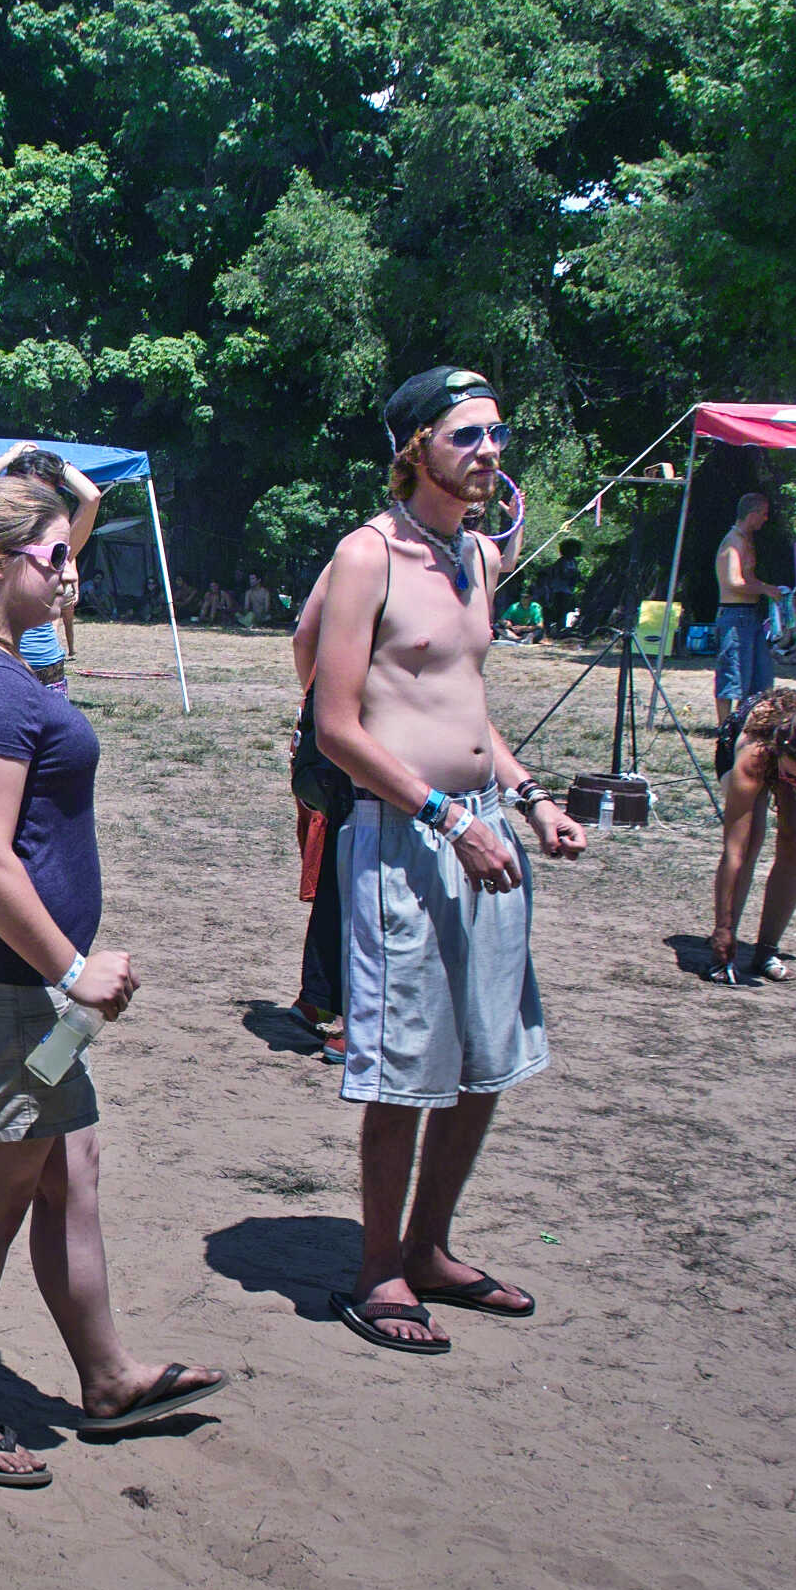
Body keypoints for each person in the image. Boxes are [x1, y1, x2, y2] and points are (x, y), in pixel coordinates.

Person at [0, 474, 227, 1486]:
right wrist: (73, 969)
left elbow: (71, 507)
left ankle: (108, 1377)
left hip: (18, 986)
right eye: (56, 557)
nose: (72, 571)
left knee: (69, 1171)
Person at [313, 367, 586, 1357]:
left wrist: (530, 798)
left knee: (483, 1057)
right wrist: (440, 815)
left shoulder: (479, 555)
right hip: (405, 832)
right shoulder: (366, 555)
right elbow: (336, 725)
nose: (489, 451)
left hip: (485, 826)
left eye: (496, 433)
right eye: (466, 434)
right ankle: (378, 1267)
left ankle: (429, 1247)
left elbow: (467, 707)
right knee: (406, 1065)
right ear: (414, 446)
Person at [705, 688, 796, 985]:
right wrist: (723, 928)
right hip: (749, 741)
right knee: (749, 843)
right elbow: (733, 853)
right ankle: (725, 946)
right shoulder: (753, 754)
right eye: (793, 777)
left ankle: (767, 951)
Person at [0, 445, 104, 688]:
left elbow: (92, 497)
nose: (34, 501)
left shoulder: (58, 548)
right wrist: (11, 456)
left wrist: (59, 466)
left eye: (44, 495)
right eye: (26, 492)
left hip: (46, 666)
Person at [289, 566, 348, 1062]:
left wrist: (321, 700)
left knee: (336, 871)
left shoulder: (353, 550)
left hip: (333, 742)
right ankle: (356, 1016)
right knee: (361, 878)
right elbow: (306, 635)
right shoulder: (377, 555)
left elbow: (304, 637)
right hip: (370, 737)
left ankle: (319, 997)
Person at [713, 490, 794, 735]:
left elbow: (747, 579)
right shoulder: (733, 542)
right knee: (732, 676)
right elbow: (733, 582)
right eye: (764, 514)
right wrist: (764, 589)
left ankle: (746, 725)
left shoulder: (746, 541)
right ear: (753, 514)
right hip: (734, 617)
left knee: (760, 677)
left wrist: (770, 590)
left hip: (751, 616)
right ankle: (725, 730)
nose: (766, 519)